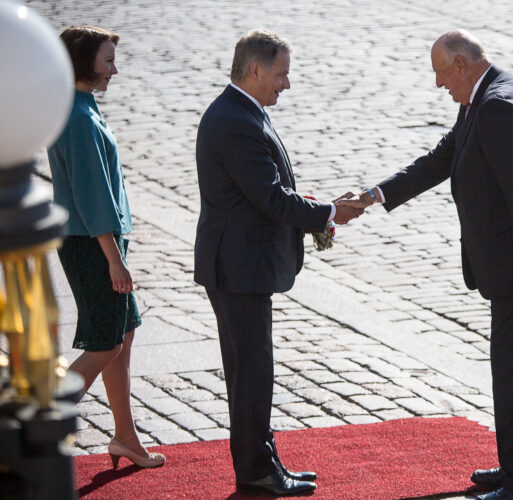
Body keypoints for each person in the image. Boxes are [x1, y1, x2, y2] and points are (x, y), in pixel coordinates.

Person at [348, 31, 513, 500]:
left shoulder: (497, 106)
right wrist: (375, 195)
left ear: (461, 65)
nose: (438, 84)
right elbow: (445, 157)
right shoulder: (486, 93)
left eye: (440, 72)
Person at [194, 30, 363, 496]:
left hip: (240, 264)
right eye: (281, 73)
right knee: (251, 372)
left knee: (253, 369)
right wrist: (329, 213)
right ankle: (255, 470)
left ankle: (262, 461)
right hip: (238, 267)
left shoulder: (242, 111)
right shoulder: (236, 120)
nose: (286, 84)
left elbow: (262, 191)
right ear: (254, 70)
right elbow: (269, 196)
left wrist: (314, 207)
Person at [47, 26, 165, 469]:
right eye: (108, 61)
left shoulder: (80, 108)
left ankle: (125, 438)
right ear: (84, 63)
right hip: (92, 244)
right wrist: (115, 260)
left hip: (97, 241)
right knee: (104, 343)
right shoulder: (77, 118)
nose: (115, 69)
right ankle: (35, 430)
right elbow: (92, 196)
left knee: (122, 335)